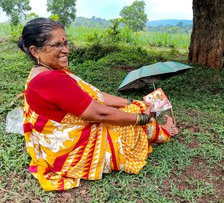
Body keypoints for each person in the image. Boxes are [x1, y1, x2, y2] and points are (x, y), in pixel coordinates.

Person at [18, 18, 179, 191]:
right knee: (136, 113)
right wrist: (143, 117)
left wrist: (130, 101)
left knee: (135, 107)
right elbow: (100, 114)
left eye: (66, 43)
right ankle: (164, 132)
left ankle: (155, 125)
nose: (66, 50)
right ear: (35, 51)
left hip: (58, 148)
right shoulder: (51, 79)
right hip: (72, 154)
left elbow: (94, 96)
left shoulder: (41, 72)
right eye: (57, 45)